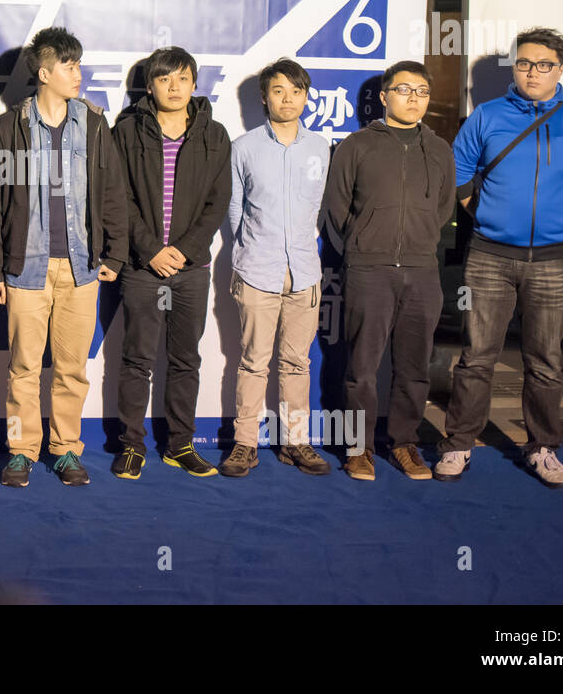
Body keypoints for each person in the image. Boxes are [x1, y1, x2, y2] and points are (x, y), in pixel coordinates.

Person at [435, 27, 563, 489]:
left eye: (544, 64)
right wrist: (484, 213)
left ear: (560, 69)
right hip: (488, 257)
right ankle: (458, 443)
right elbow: (459, 173)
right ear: (514, 67)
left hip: (555, 259)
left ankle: (543, 447)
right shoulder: (487, 116)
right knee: (476, 356)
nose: (533, 72)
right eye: (525, 63)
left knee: (545, 359)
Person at [0, 27, 128, 487]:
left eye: (79, 65)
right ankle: (20, 451)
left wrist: (115, 254)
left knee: (71, 369)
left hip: (82, 267)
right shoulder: (7, 128)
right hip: (25, 267)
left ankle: (65, 450)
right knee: (22, 369)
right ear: (44, 73)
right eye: (68, 66)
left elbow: (112, 192)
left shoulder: (94, 124)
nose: (78, 74)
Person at [323, 61, 455, 481]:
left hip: (422, 271)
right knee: (361, 367)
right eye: (403, 89)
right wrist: (362, 251)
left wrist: (418, 246)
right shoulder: (356, 146)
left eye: (421, 91)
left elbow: (444, 208)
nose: (413, 98)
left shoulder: (439, 149)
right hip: (369, 269)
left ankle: (404, 443)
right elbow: (336, 210)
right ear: (383, 97)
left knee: (415, 368)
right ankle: (357, 448)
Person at [110, 47, 231, 479]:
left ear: (194, 83)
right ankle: (130, 446)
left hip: (191, 267)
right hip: (143, 267)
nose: (174, 86)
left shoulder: (214, 135)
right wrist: (150, 250)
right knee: (136, 360)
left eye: (182, 78)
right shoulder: (126, 132)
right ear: (150, 86)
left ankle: (179, 445)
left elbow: (218, 202)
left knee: (186, 360)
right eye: (164, 79)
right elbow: (117, 198)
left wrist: (185, 248)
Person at [222, 58, 330, 478]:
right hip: (257, 270)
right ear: (264, 97)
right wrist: (250, 249)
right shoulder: (244, 147)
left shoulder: (320, 146)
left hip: (305, 271)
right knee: (252, 362)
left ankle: (295, 443)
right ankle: (245, 444)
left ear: (306, 96)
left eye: (297, 90)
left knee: (298, 363)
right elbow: (235, 208)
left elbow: (319, 206)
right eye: (279, 90)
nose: (289, 98)